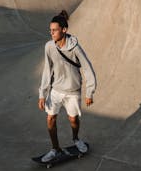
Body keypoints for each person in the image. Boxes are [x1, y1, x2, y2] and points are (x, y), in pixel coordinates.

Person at [38, 10, 97, 162]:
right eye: (50, 30)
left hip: (72, 91)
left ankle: (76, 139)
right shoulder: (49, 47)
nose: (51, 33)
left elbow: (87, 67)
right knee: (50, 119)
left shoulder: (74, 47)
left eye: (54, 30)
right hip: (56, 90)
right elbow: (47, 70)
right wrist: (42, 94)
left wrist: (89, 92)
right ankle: (55, 148)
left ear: (64, 30)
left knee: (73, 120)